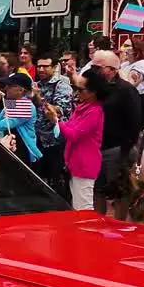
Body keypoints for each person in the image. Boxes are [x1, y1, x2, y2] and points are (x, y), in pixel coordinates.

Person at [88, 50, 144, 218]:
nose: (94, 70)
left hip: (117, 149)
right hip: (96, 147)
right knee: (97, 190)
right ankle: (98, 222)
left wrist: (126, 151)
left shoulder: (126, 90)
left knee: (120, 191)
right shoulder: (96, 89)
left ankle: (119, 225)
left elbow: (135, 121)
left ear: (112, 69)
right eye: (93, 66)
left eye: (98, 67)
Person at [45, 70, 107, 210]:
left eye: (80, 89)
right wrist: (57, 119)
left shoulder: (94, 111)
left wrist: (56, 120)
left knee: (83, 208)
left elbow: (73, 134)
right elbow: (68, 127)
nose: (76, 93)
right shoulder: (83, 108)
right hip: (76, 163)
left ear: (93, 92)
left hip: (85, 165)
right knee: (78, 205)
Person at [31, 53, 74, 194]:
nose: (41, 69)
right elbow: (18, 104)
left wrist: (38, 98)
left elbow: (60, 111)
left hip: (55, 140)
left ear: (55, 67)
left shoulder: (62, 85)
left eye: (45, 66)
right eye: (39, 66)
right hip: (36, 140)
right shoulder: (35, 85)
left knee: (57, 181)